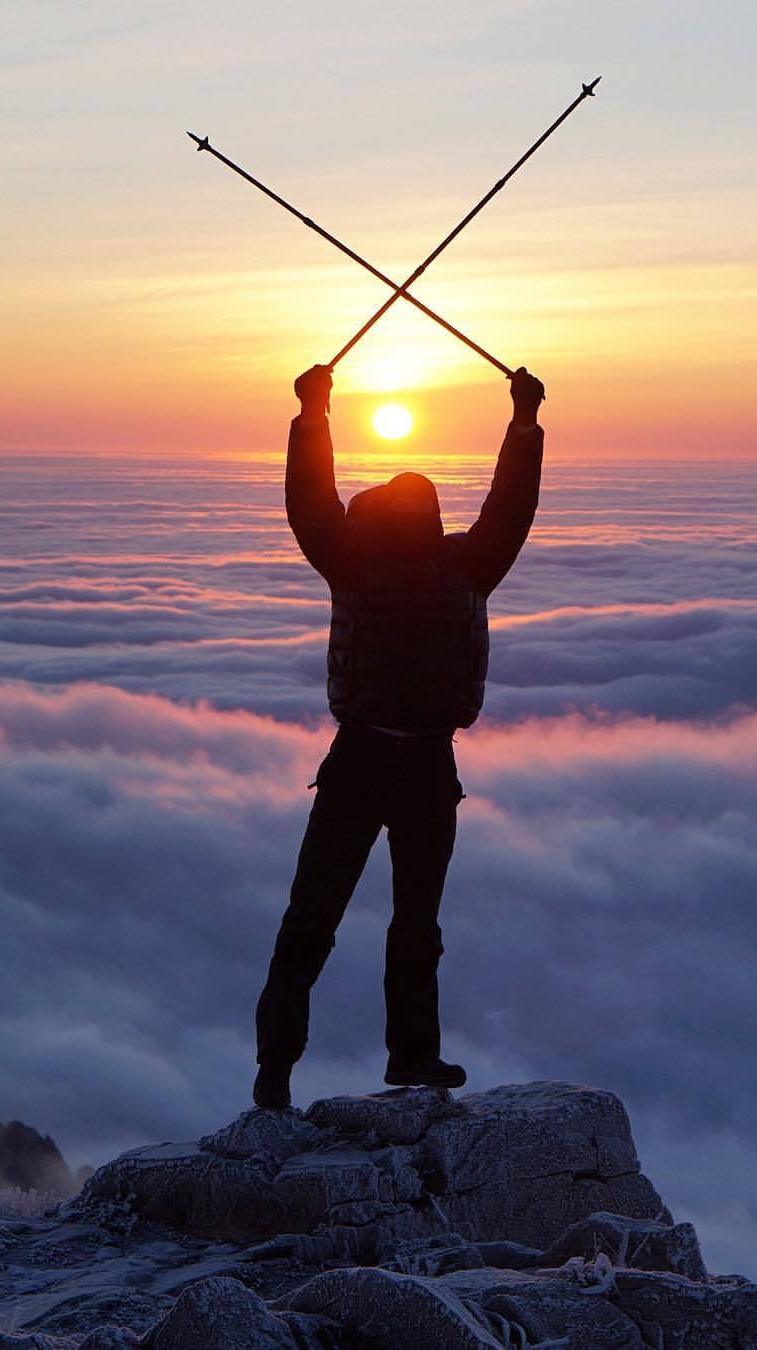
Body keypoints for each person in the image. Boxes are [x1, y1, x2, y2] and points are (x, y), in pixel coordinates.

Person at [254, 362, 545, 1109]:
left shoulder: (352, 561)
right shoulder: (464, 567)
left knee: (310, 918)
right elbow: (510, 511)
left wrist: (314, 414)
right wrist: (522, 424)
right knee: (416, 922)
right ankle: (412, 1057)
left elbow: (308, 506)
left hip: (358, 759)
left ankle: (276, 1069)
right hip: (426, 767)